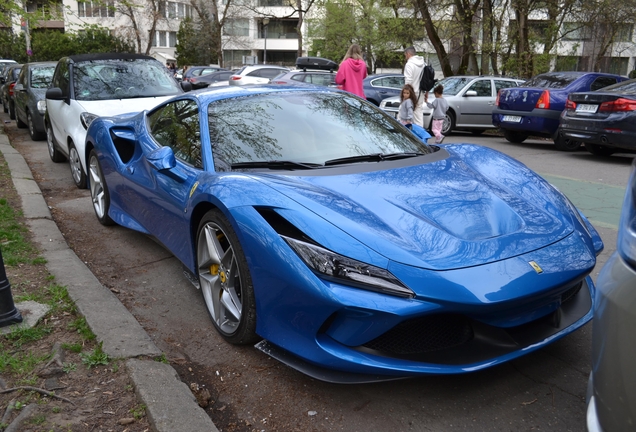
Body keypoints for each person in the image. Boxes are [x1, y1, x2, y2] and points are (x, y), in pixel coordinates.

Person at [403, 46, 427, 127]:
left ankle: (410, 135)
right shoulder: (423, 64)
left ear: (408, 54)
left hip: (411, 93)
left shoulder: (409, 64)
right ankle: (421, 134)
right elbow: (426, 79)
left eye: (405, 55)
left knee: (406, 114)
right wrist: (426, 92)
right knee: (418, 113)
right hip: (420, 93)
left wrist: (405, 94)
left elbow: (408, 81)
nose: (405, 57)